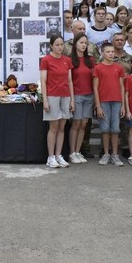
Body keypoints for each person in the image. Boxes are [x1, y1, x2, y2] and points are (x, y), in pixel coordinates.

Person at [40, 34, 74, 168]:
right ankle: (51, 157)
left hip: (65, 96)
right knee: (53, 128)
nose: (60, 47)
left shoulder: (67, 60)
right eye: (57, 45)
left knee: (62, 127)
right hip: (52, 95)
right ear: (51, 46)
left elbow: (70, 81)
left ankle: (59, 155)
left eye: (62, 45)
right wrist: (45, 100)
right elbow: (43, 81)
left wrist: (72, 99)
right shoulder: (46, 60)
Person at [93, 43, 126, 166]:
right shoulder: (98, 68)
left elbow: (122, 86)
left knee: (115, 129)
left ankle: (115, 154)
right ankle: (106, 153)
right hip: (103, 102)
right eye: (108, 52)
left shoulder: (119, 68)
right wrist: (98, 105)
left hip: (116, 101)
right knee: (105, 129)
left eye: (112, 52)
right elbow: (95, 88)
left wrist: (123, 105)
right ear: (102, 53)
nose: (111, 54)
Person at [67, 33, 95, 164]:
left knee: (84, 124)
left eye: (85, 43)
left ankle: (78, 151)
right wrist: (71, 99)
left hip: (89, 95)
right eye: (81, 43)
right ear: (75, 44)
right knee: (76, 123)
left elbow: (94, 79)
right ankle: (72, 152)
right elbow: (69, 80)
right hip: (76, 95)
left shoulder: (90, 60)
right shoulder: (70, 60)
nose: (84, 45)